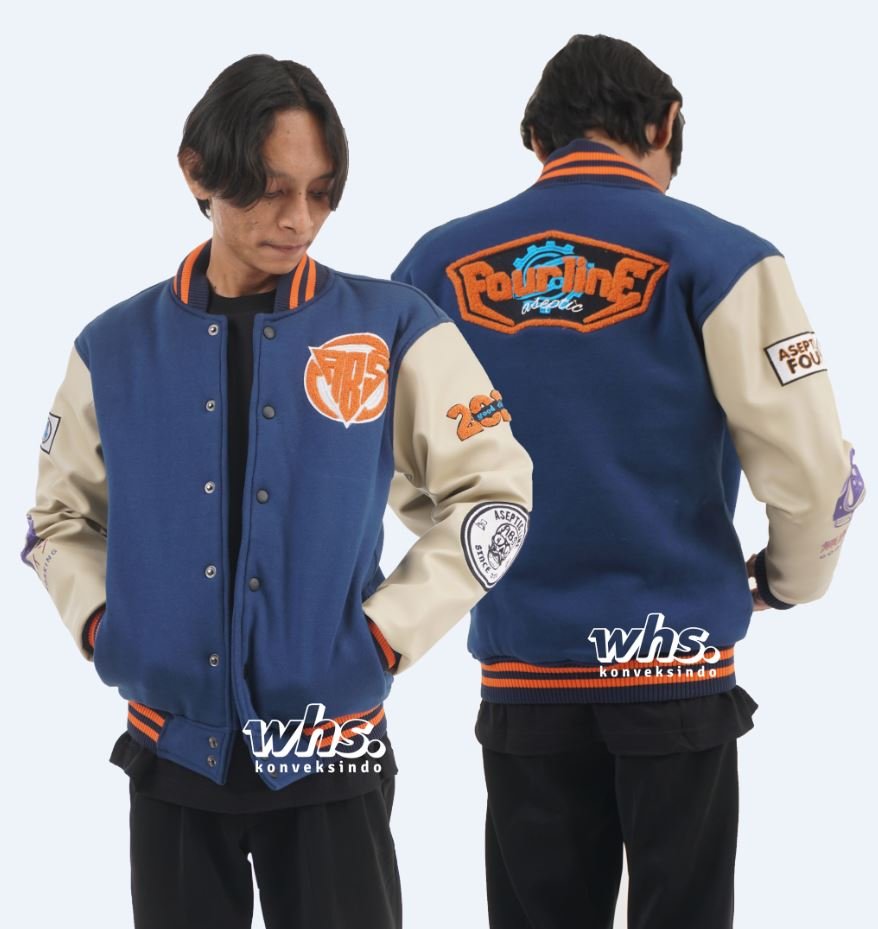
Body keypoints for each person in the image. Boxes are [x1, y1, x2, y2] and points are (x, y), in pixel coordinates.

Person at [20, 53, 533, 929]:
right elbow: (56, 519)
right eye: (269, 190)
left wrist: (386, 634)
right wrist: (108, 627)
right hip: (172, 757)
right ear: (197, 172)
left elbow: (498, 495)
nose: (299, 220)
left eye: (320, 193)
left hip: (332, 757)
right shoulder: (113, 347)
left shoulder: (394, 325)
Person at [390, 33, 864, 929]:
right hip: (673, 667)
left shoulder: (433, 270)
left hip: (525, 672)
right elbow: (811, 467)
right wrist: (786, 580)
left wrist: (485, 555)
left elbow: (391, 458)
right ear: (665, 125)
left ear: (536, 137)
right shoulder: (725, 258)